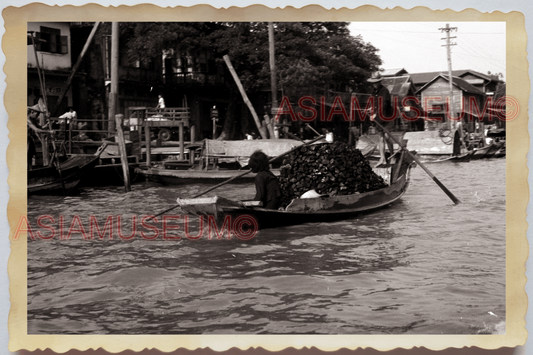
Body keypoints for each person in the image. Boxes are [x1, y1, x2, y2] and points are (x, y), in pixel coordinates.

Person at [367, 72, 394, 166]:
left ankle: (392, 155)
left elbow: (383, 105)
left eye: (376, 82)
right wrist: (370, 109)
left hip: (387, 116)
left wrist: (375, 114)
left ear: (379, 82)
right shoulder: (373, 92)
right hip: (378, 118)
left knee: (387, 137)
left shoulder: (384, 91)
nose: (374, 84)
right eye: (373, 83)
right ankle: (382, 159)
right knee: (381, 138)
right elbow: (374, 103)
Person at [27, 105, 48, 170]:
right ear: (32, 112)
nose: (38, 115)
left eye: (39, 114)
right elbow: (37, 130)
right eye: (37, 113)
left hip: (29, 139)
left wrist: (47, 125)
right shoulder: (27, 120)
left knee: (30, 156)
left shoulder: (33, 120)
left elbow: (40, 127)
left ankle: (30, 170)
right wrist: (49, 132)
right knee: (26, 156)